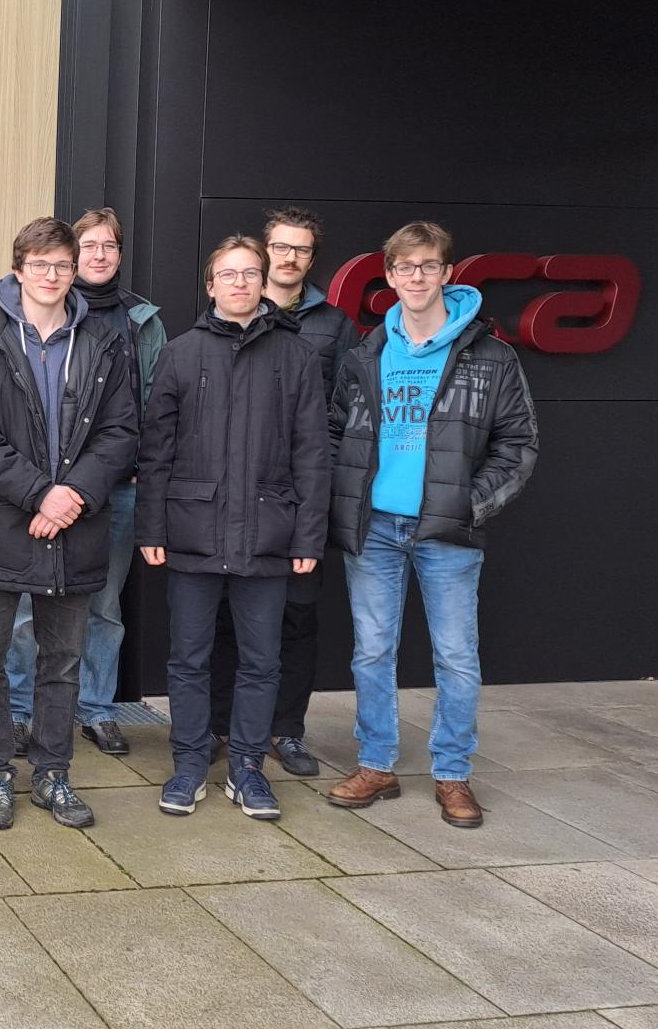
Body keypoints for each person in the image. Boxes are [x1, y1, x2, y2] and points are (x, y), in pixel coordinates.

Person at [325, 221, 537, 828]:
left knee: (456, 656)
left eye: (428, 265)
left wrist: (468, 505)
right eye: (404, 266)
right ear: (389, 277)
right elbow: (336, 434)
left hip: (447, 530)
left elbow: (518, 445)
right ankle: (376, 764)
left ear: (447, 273)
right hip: (374, 528)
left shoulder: (490, 355)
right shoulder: (366, 355)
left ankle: (452, 772)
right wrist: (344, 502)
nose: (416, 276)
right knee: (372, 652)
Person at [0, 218, 139, 830]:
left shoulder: (104, 341)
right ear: (18, 270)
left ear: (74, 270)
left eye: (61, 264)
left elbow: (121, 431)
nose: (51, 275)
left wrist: (72, 496)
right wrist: (40, 495)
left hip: (76, 526)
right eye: (39, 264)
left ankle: (53, 773)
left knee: (62, 660)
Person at [138, 235, 330, 822]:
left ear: (264, 282)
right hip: (193, 531)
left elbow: (313, 453)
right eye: (229, 274)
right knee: (188, 660)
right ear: (210, 285)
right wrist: (151, 528)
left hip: (269, 534)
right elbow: (156, 451)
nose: (240, 283)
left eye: (250, 273)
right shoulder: (180, 353)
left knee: (262, 661)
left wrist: (309, 535)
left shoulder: (297, 355)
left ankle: (248, 768)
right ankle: (189, 764)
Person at [1, 207, 166, 758]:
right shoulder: (42, 314)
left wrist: (137, 464)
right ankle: (20, 711)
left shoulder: (141, 321)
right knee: (27, 605)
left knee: (103, 603)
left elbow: (155, 403)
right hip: (41, 488)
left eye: (109, 246)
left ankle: (97, 709)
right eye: (88, 246)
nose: (99, 255)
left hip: (115, 486)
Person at [207, 205, 352, 776]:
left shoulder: (333, 325)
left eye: (302, 249)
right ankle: (221, 724)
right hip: (234, 497)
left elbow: (341, 412)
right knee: (227, 616)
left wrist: (317, 480)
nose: (290, 257)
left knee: (297, 616)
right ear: (264, 253)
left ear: (313, 260)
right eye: (281, 247)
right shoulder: (233, 309)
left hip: (299, 496)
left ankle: (286, 729)